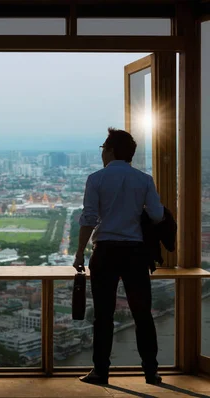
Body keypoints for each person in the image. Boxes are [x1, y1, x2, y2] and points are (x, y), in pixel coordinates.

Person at [74, 128, 164, 386]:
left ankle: (101, 372)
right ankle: (151, 372)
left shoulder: (96, 179)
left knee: (103, 315)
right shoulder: (144, 180)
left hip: (105, 252)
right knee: (142, 314)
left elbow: (89, 218)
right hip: (135, 253)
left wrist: (80, 252)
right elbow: (157, 215)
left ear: (111, 150)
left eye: (103, 148)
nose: (102, 152)